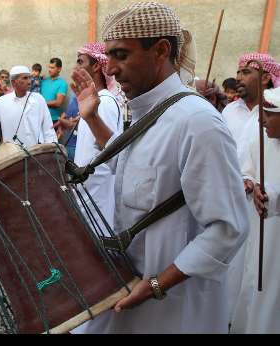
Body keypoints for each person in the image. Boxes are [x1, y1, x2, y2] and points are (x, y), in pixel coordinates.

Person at [71, 2, 248, 333]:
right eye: (109, 56)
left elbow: (228, 227)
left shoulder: (197, 122)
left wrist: (157, 284)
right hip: (130, 287)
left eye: (121, 55)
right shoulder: (152, 111)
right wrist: (93, 118)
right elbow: (132, 162)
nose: (109, 69)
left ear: (161, 50)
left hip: (172, 307)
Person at [67, 42, 123, 334]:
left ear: (98, 66)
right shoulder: (94, 97)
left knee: (97, 257)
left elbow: (108, 148)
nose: (76, 66)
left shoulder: (107, 101)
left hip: (98, 191)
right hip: (85, 189)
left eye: (82, 61)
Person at [232, 87, 280, 333]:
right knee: (253, 284)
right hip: (259, 231)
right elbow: (247, 169)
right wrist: (252, 184)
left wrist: (273, 196)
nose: (261, 119)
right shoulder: (259, 141)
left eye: (269, 113)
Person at [0, 65, 57, 147]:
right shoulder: (2, 102)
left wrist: (51, 150)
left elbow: (48, 129)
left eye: (29, 77)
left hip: (37, 155)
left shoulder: (39, 99)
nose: (29, 81)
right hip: (14, 156)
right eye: (25, 78)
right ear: (13, 82)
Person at [41, 58, 68, 125]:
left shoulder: (62, 83)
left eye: (52, 68)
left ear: (59, 69)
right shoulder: (43, 81)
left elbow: (58, 103)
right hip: (40, 117)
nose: (49, 70)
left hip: (53, 120)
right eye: (49, 67)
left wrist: (40, 103)